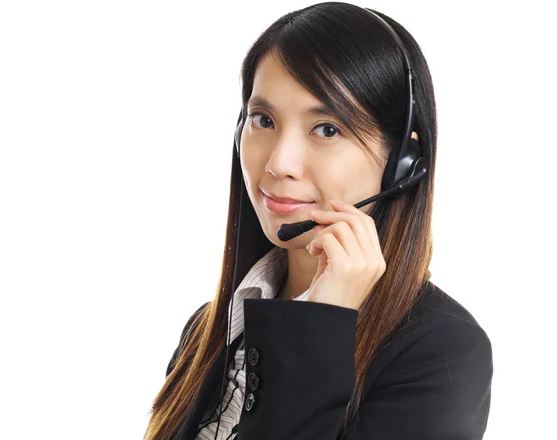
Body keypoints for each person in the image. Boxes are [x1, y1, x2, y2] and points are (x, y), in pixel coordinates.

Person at [143, 2, 493, 439]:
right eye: (263, 120)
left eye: (327, 129)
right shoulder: (208, 329)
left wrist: (322, 325)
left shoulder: (441, 352)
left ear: (402, 163)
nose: (279, 162)